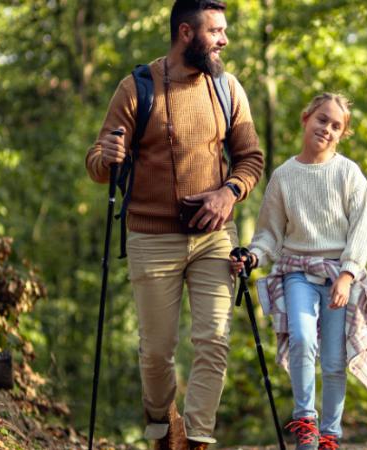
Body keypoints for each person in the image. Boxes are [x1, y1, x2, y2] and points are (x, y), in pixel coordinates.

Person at [85, 1, 265, 448]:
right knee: (157, 354)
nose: (224, 39)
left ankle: (198, 439)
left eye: (224, 30)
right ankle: (166, 429)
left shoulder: (227, 88)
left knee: (214, 341)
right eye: (216, 31)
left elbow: (251, 159)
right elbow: (96, 163)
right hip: (151, 237)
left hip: (214, 237)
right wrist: (107, 158)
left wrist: (230, 192)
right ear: (186, 32)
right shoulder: (136, 88)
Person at [231, 93, 367, 450]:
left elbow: (362, 230)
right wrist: (253, 256)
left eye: (336, 126)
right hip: (296, 270)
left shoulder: (348, 174)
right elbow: (269, 232)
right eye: (321, 119)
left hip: (337, 276)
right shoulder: (284, 176)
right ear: (305, 118)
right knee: (301, 337)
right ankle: (306, 423)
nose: (326, 129)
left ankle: (330, 434)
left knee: (333, 360)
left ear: (342, 135)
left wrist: (347, 275)